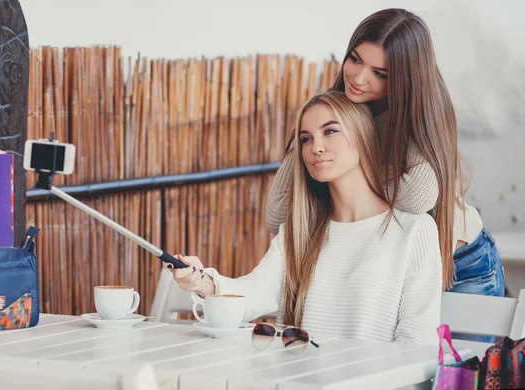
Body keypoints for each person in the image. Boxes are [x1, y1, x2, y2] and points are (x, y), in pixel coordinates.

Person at [166, 91, 442, 345]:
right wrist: (203, 281)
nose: (315, 147)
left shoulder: (414, 229)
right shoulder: (300, 231)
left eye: (330, 131)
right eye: (306, 138)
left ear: (363, 136)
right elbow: (257, 292)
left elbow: (417, 340)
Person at [265, 8, 504, 301]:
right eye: (355, 59)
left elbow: (417, 197)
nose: (359, 78)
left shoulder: (421, 110)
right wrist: (322, 146)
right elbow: (277, 215)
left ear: (404, 78)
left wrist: (346, 168)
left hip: (461, 263)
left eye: (379, 74)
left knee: (463, 350)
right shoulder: (333, 111)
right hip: (398, 271)